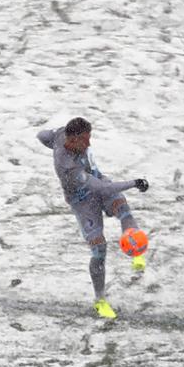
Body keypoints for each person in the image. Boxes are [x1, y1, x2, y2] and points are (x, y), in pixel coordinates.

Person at [36, 117, 149, 320]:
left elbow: (42, 135)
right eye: (85, 140)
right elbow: (103, 189)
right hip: (84, 202)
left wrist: (51, 142)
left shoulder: (62, 133)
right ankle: (100, 301)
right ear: (73, 139)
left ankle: (135, 248)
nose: (89, 144)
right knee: (99, 249)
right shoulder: (69, 167)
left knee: (123, 209)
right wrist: (134, 182)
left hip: (98, 182)